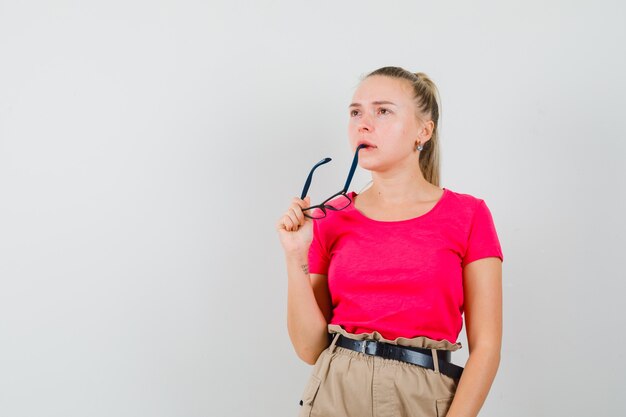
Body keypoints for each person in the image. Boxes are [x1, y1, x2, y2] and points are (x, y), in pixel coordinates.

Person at [276, 66, 504, 417]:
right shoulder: (332, 216)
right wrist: (295, 256)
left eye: (382, 111)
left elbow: (486, 347)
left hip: (423, 397)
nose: (363, 124)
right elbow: (310, 349)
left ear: (423, 131)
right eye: (356, 112)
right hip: (335, 393)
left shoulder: (469, 215)